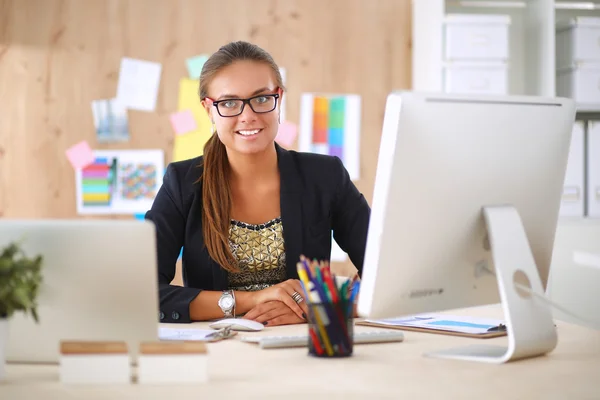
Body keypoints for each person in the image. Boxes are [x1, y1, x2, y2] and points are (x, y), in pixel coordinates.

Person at [145, 41, 370, 326]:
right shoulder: (182, 183)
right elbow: (141, 292)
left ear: (279, 98)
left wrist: (314, 309)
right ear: (208, 109)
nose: (248, 115)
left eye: (261, 98)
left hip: (304, 349)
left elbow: (386, 272)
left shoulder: (324, 176)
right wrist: (252, 299)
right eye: (229, 103)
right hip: (221, 350)